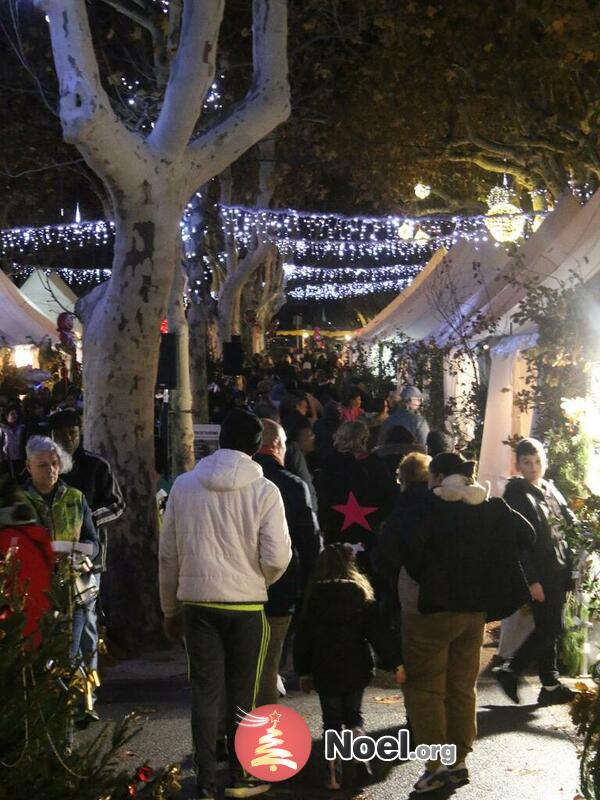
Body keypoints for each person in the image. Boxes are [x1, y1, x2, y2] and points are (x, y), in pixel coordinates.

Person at [159, 409, 292, 800]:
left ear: (219, 440)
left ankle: (204, 781)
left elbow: (168, 554)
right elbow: (278, 556)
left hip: (198, 603)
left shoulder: (184, 487)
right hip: (247, 605)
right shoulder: (265, 491)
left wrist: (169, 608)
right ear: (257, 446)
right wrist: (256, 581)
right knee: (243, 692)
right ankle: (239, 774)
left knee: (204, 692)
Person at [394, 452, 534, 793]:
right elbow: (526, 535)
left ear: (438, 476)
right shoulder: (490, 507)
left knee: (425, 689)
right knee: (461, 687)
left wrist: (425, 570)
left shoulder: (428, 506)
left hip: (430, 611)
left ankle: (435, 765)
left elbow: (400, 549)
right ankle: (458, 761)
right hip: (474, 612)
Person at [294, 543, 405, 790]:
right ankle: (361, 758)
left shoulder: (313, 597)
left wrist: (303, 671)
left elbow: (303, 638)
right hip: (356, 665)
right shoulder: (360, 593)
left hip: (324, 668)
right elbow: (377, 632)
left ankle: (333, 774)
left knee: (331, 721)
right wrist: (395, 662)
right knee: (354, 716)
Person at [48, 408, 125, 712]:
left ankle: (86, 690)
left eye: (73, 433)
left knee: (87, 624)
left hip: (86, 563)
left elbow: (117, 504)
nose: (69, 439)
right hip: (49, 562)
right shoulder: (45, 465)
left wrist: (87, 519)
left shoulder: (96, 466)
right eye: (62, 434)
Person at [22, 436, 99, 720]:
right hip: (33, 593)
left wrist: (84, 553)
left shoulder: (75, 498)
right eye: (43, 465)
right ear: (29, 467)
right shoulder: (20, 504)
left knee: (69, 654)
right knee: (38, 657)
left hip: (72, 591)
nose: (50, 470)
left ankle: (67, 718)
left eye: (54, 464)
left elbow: (93, 540)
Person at [495, 438, 576, 706]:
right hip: (541, 572)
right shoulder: (517, 494)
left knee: (548, 627)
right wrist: (531, 580)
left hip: (558, 568)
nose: (534, 467)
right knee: (552, 627)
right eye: (527, 462)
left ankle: (549, 684)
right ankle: (511, 670)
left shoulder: (549, 489)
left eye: (538, 461)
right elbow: (517, 544)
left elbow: (568, 522)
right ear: (518, 464)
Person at [253, 419, 321, 706]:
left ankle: (224, 736)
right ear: (278, 445)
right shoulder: (293, 486)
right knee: (268, 666)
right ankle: (262, 740)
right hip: (279, 591)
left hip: (229, 591)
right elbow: (310, 541)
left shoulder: (236, 484)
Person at [317, 420, 396, 576]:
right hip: (370, 530)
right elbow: (389, 497)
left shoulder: (331, 462)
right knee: (367, 570)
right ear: (364, 439)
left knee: (338, 569)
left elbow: (323, 495)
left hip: (336, 527)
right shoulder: (376, 465)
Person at [1, 408, 26, 480]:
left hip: (20, 457)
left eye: (16, 414)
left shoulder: (22, 427)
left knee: (20, 478)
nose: (14, 416)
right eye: (12, 414)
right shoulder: (2, 428)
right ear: (6, 416)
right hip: (7, 459)